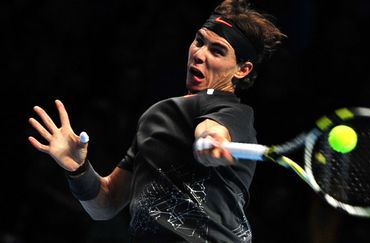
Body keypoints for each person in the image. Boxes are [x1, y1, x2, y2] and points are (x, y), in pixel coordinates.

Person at [28, 0, 286, 242]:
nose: (199, 54)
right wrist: (79, 169)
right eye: (199, 41)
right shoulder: (156, 115)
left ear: (242, 69)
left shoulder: (233, 111)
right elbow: (106, 204)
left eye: (217, 51)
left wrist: (211, 142)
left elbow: (212, 129)